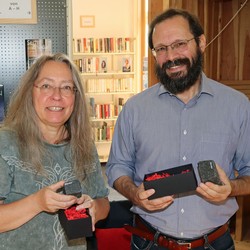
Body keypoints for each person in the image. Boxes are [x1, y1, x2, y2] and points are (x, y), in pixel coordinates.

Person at [106, 8, 250, 250]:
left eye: (179, 44)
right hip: (149, 241)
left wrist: (231, 188)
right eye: (161, 49)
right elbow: (117, 167)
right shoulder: (134, 109)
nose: (170, 56)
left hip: (215, 243)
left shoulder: (237, 106)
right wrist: (134, 194)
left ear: (201, 43)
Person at [0, 53, 110, 249]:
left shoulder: (84, 145)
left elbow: (103, 201)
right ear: (29, 92)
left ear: (75, 96)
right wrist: (37, 202)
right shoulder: (5, 142)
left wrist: (94, 208)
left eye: (66, 87)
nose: (57, 96)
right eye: (46, 86)